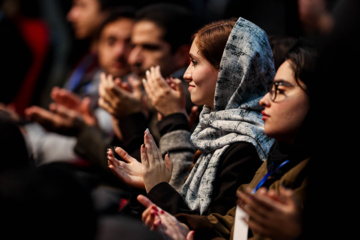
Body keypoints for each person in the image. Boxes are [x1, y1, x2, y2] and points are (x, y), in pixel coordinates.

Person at [137, 41, 319, 240]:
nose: (264, 100)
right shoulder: (279, 153)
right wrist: (183, 226)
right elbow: (234, 224)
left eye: (280, 90)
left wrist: (160, 188)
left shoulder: (246, 145)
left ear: (232, 74)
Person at [108, 17, 275, 220]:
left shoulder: (246, 146)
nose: (186, 75)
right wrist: (150, 182)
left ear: (229, 71)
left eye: (195, 63)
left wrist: (156, 186)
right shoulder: (213, 128)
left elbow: (210, 227)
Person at [24, 5, 135, 166]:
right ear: (99, 46)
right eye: (111, 42)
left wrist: (22, 141)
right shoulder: (90, 71)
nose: (119, 51)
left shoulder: (136, 90)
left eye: (82, 6)